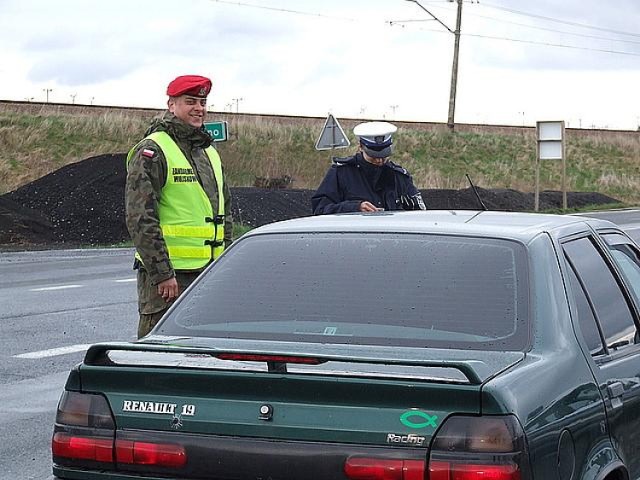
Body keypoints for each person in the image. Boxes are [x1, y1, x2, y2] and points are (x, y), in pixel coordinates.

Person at [125, 74, 233, 338]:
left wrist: (228, 265)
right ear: (171, 105)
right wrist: (162, 273)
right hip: (169, 280)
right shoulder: (154, 150)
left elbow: (224, 212)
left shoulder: (207, 151)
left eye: (202, 102)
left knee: (204, 353)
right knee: (160, 355)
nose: (199, 108)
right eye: (190, 101)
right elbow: (141, 217)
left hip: (207, 273)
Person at [311, 121, 426, 214]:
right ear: (361, 147)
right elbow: (320, 209)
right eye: (373, 156)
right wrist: (355, 208)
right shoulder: (341, 173)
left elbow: (420, 215)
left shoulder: (399, 177)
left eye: (384, 156)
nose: (379, 160)